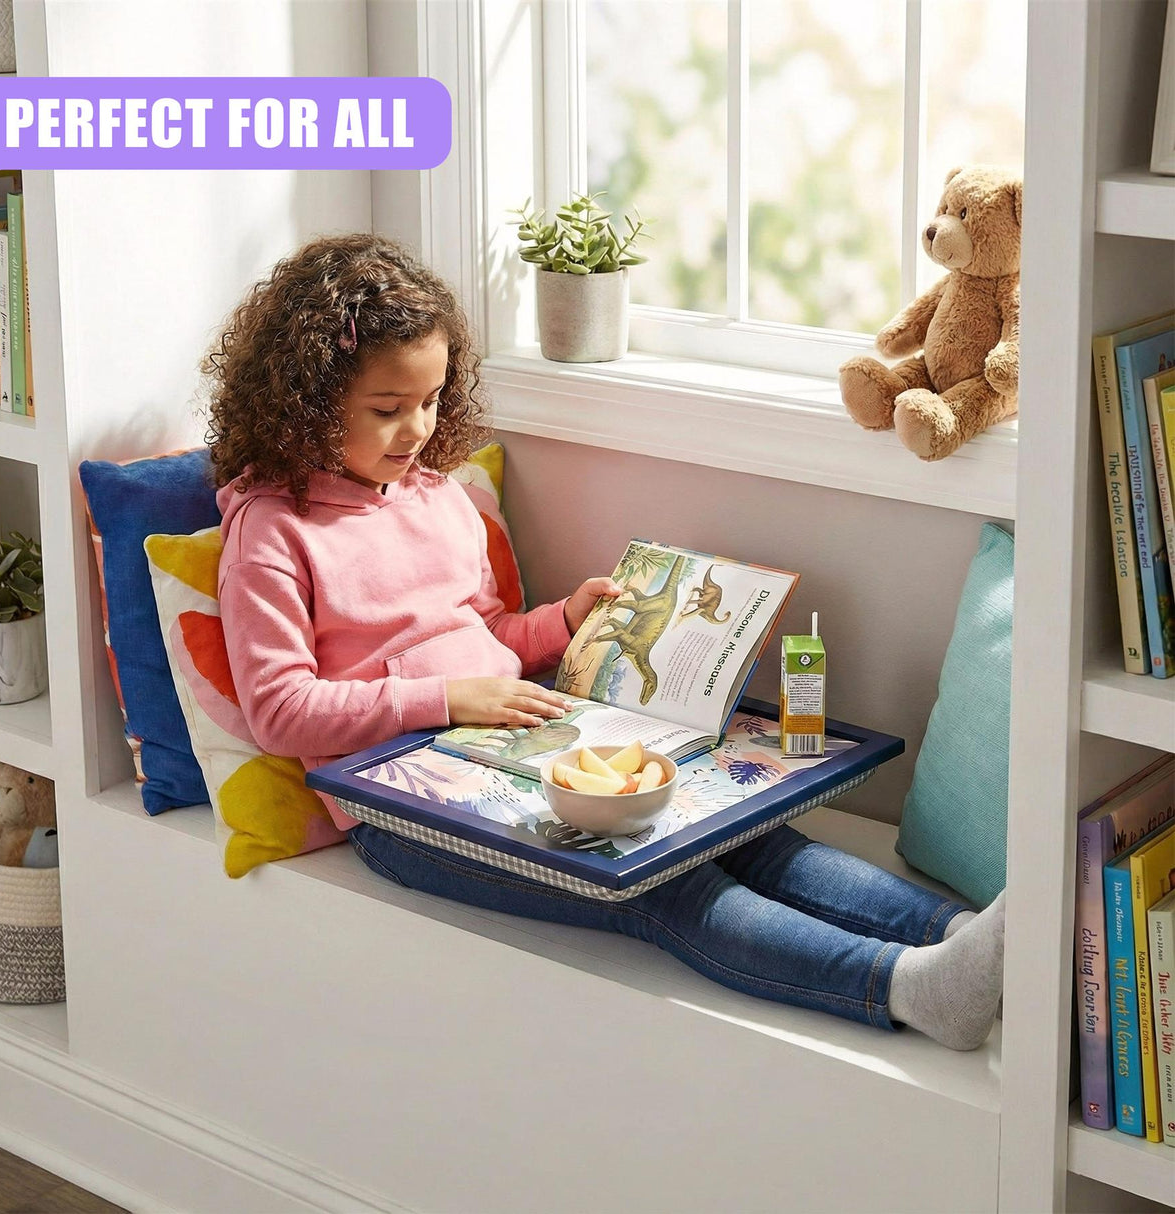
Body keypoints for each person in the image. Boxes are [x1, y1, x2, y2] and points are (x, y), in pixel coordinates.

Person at [206, 233, 1006, 1051]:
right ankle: (907, 989)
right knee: (664, 892)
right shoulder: (271, 532)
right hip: (408, 811)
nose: (417, 428)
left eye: (434, 399)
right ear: (307, 398)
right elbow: (280, 711)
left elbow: (485, 638)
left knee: (745, 838)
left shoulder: (437, 499)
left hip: (520, 742)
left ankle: (975, 938)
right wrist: (449, 699)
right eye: (387, 409)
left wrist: (563, 622)